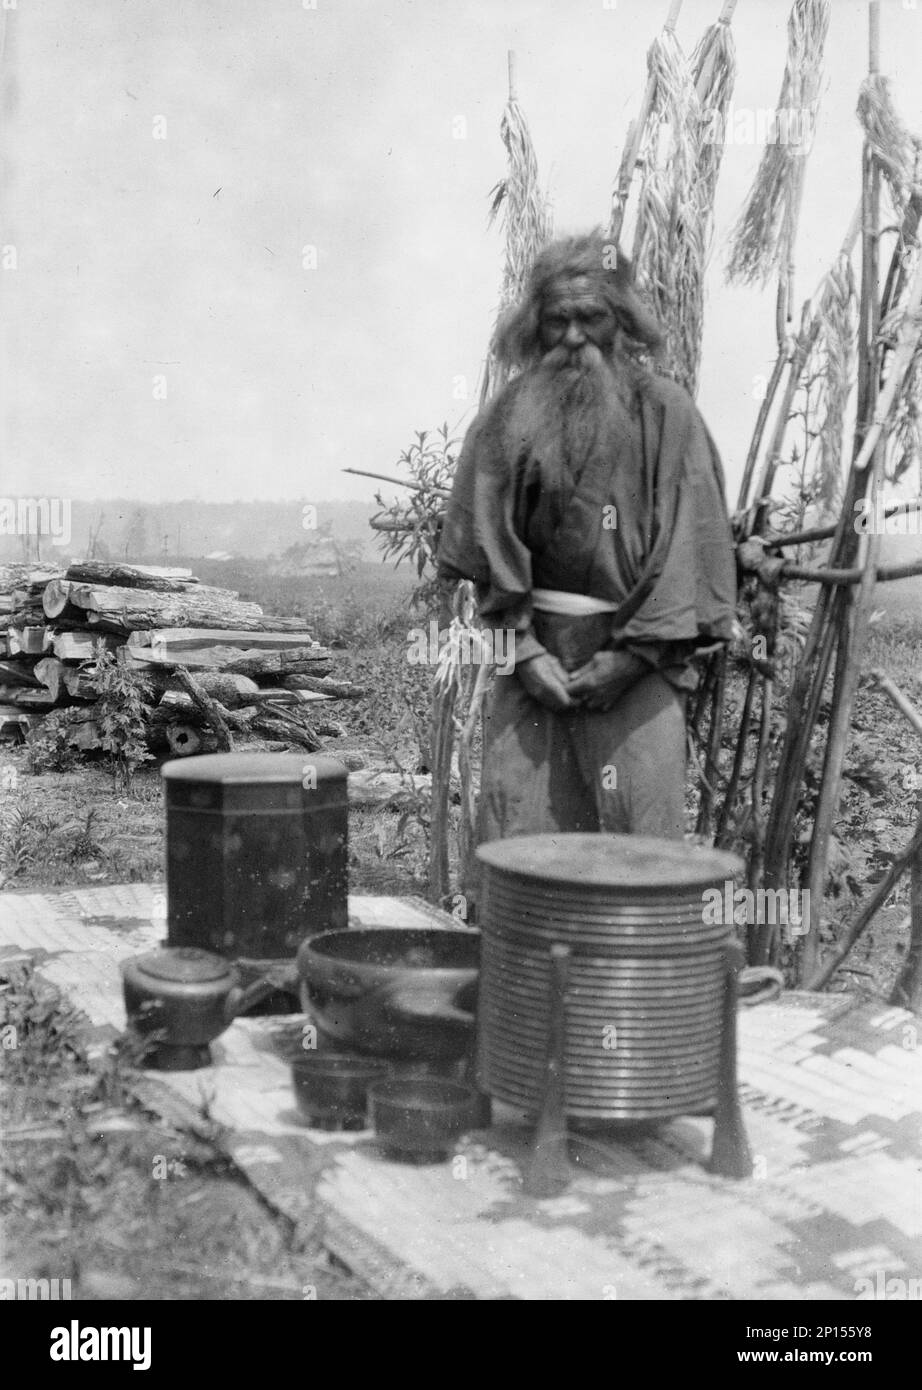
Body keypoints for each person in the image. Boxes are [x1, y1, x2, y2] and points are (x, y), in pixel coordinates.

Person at [436, 231, 737, 871]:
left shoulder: (667, 413)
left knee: (640, 855)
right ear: (533, 327)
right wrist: (523, 650)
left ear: (620, 322)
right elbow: (482, 535)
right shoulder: (510, 413)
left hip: (637, 666)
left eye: (590, 318)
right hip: (533, 663)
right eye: (557, 321)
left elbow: (694, 543)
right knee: (522, 846)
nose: (574, 338)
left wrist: (631, 658)